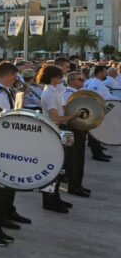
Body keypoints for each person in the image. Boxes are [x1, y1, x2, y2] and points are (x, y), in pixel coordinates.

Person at [0, 61, 29, 247]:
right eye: (14, 77)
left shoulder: (3, 91)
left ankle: (1, 220)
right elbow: (0, 119)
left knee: (6, 188)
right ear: (7, 75)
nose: (14, 81)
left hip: (5, 143)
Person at [37, 65, 82, 213]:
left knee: (61, 167)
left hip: (59, 130)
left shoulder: (54, 90)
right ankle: (48, 200)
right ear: (52, 77)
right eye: (58, 76)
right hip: (55, 130)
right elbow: (55, 117)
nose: (61, 78)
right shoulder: (49, 93)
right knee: (54, 167)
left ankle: (55, 196)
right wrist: (74, 116)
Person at [63, 71, 91, 194]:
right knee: (74, 159)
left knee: (79, 158)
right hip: (72, 128)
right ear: (71, 81)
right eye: (80, 79)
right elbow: (66, 112)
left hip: (79, 128)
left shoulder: (78, 94)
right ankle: (73, 186)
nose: (82, 82)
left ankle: (78, 184)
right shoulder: (67, 94)